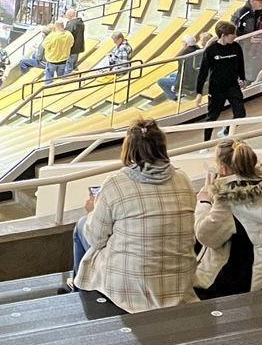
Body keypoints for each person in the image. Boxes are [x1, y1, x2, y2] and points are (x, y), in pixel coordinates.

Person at [71, 119, 197, 313]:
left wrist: (92, 211)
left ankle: (79, 294)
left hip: (129, 290)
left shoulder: (116, 183)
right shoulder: (183, 179)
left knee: (81, 226)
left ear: (129, 148)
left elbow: (95, 239)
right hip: (179, 283)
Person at [195, 140, 262, 299]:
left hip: (251, 277)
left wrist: (204, 200)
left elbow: (205, 236)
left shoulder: (227, 201)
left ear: (223, 169)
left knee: (196, 274)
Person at [196, 20, 246, 141]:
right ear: (223, 35)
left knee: (241, 114)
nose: (235, 36)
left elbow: (240, 64)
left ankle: (226, 131)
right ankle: (205, 143)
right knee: (212, 117)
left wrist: (242, 77)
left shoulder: (236, 46)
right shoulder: (211, 50)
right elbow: (203, 72)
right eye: (232, 34)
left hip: (232, 86)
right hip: (216, 88)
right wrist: (199, 93)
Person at [64, 8, 85, 73]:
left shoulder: (71, 24)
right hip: (78, 46)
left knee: (69, 66)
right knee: (74, 64)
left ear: (70, 15)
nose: (66, 16)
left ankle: (68, 78)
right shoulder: (80, 22)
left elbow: (67, 36)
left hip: (72, 48)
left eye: (66, 15)